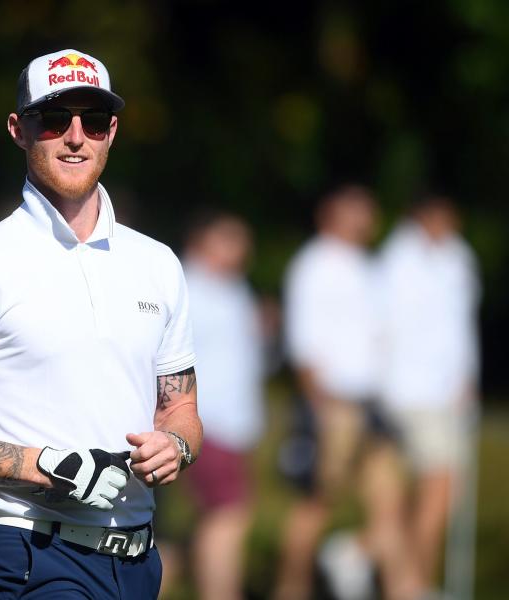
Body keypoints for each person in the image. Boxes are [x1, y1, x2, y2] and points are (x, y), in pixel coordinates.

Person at [0, 49, 202, 599]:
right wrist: (44, 466)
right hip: (29, 550)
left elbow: (181, 408)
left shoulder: (158, 263)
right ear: (19, 130)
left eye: (94, 120)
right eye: (54, 119)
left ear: (112, 132)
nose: (75, 136)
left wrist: (175, 445)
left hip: (137, 560)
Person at [273, 185, 419, 600]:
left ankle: (400, 588)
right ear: (332, 213)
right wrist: (319, 408)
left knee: (390, 503)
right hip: (333, 404)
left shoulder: (367, 267)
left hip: (370, 403)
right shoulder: (314, 265)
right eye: (360, 209)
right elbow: (304, 345)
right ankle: (291, 589)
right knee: (316, 505)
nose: (369, 217)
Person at [377, 195, 480, 594]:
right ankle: (413, 581)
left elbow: (458, 329)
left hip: (445, 394)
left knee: (422, 496)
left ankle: (403, 580)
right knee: (440, 490)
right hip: (413, 391)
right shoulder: (399, 260)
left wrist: (465, 378)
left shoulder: (457, 257)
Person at [178, 213, 264, 600]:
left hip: (234, 424)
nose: (238, 249)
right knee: (228, 516)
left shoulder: (234, 289)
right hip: (206, 420)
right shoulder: (188, 287)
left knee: (214, 517)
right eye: (228, 239)